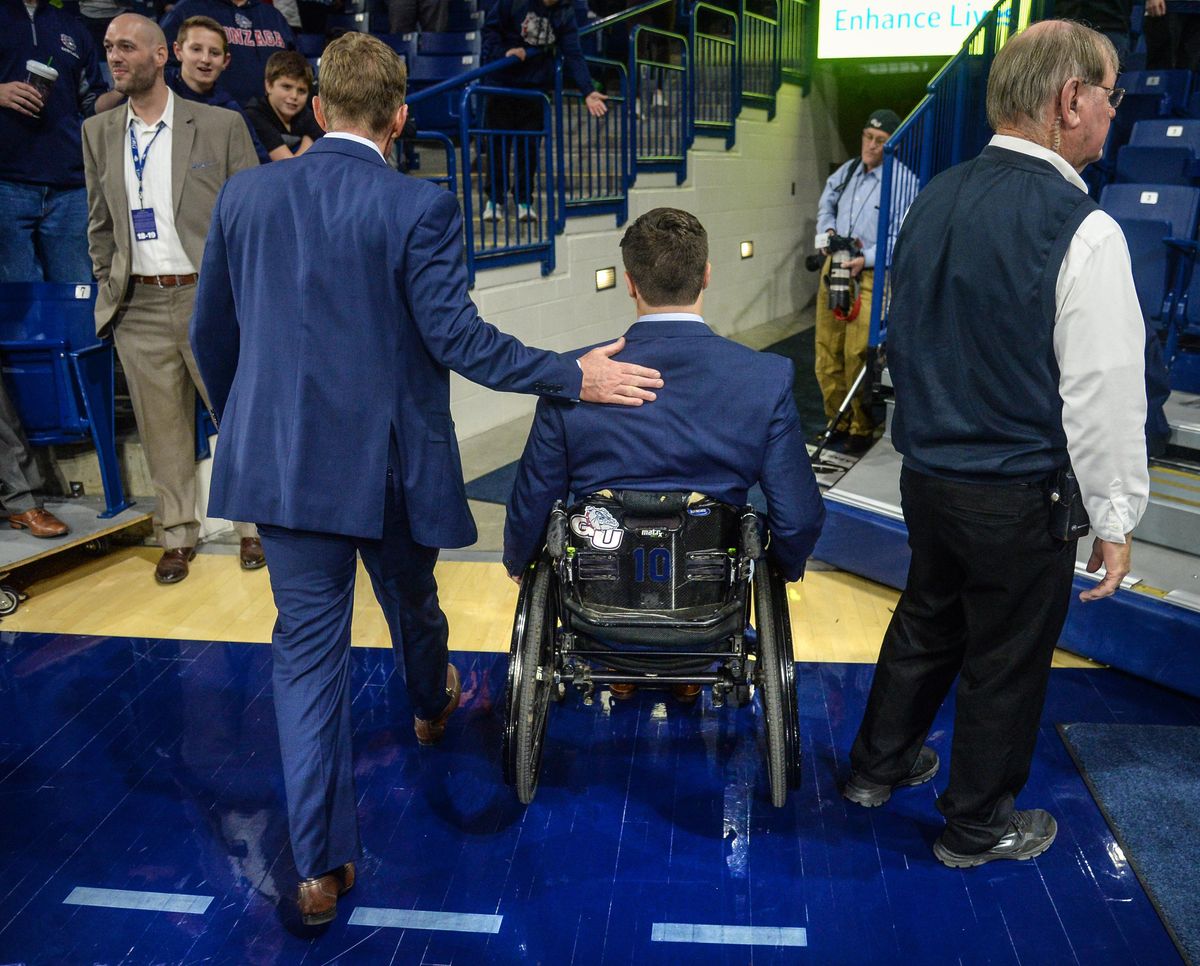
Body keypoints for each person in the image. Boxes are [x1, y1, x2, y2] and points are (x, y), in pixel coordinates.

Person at [188, 32, 662, 926]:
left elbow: (211, 335)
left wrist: (243, 421)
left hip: (282, 469)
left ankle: (320, 871)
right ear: (401, 118)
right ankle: (431, 702)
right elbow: (460, 341)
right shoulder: (419, 205)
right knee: (413, 602)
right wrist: (573, 373)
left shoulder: (246, 194)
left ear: (320, 108)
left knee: (306, 659)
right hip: (386, 471)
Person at [841, 21, 1149, 869]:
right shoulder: (1083, 230)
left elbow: (909, 335)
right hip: (1017, 493)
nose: (1115, 116)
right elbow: (1103, 393)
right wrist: (1116, 518)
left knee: (925, 623)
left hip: (928, 475)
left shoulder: (933, 195)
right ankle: (977, 824)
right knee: (1006, 662)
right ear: (1069, 99)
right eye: (1112, 96)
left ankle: (877, 767)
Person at [504, 206, 825, 592]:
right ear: (706, 275)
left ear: (629, 283)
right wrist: (781, 569)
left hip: (597, 600)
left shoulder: (578, 377)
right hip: (712, 602)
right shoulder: (765, 377)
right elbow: (799, 517)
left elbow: (534, 499)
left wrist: (520, 559)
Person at [82, 13, 264, 584]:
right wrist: (110, 281)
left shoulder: (219, 125)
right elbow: (99, 224)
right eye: (109, 47)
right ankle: (176, 535)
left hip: (207, 301)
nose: (115, 56)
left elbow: (252, 216)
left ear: (162, 55)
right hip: (137, 304)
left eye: (128, 47)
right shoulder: (98, 132)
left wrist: (246, 297)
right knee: (161, 428)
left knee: (237, 417)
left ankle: (255, 527)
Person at [813, 108, 917, 454]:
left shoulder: (903, 182)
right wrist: (826, 231)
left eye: (880, 141)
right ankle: (836, 420)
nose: (871, 146)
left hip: (870, 274)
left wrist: (867, 258)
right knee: (827, 349)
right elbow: (825, 204)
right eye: (867, 137)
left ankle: (861, 423)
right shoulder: (848, 171)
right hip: (836, 265)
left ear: (892, 145)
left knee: (858, 352)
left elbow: (901, 236)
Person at [0, 0, 107, 283]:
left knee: (76, 293)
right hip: (6, 181)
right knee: (13, 304)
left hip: (69, 186)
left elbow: (91, 102)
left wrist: (124, 90)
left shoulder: (73, 27)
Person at [480, 0, 607, 222]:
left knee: (528, 149)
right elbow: (490, 30)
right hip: (501, 84)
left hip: (534, 88)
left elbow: (573, 53)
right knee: (497, 147)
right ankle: (495, 200)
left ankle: (523, 200)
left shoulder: (565, 11)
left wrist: (588, 90)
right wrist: (503, 52)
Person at [96, 16, 271, 163]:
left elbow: (257, 162)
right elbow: (101, 113)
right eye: (196, 49)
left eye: (214, 53)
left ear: (225, 61)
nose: (205, 59)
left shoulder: (230, 111)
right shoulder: (151, 88)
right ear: (178, 51)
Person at [159, 0, 295, 107]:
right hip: (210, 118)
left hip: (271, 125)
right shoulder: (187, 10)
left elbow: (298, 71)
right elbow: (160, 66)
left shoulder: (273, 16)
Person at [243, 50, 323, 161]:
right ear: (269, 85)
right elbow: (288, 166)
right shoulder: (254, 115)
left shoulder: (306, 114)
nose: (294, 96)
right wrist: (309, 140)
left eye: (301, 91)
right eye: (286, 87)